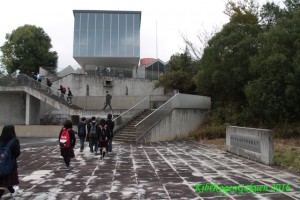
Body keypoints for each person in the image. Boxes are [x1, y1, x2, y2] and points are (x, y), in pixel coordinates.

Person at [0, 125, 21, 198]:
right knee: (4, 183)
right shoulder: (14, 140)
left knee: (5, 181)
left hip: (0, 163)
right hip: (10, 165)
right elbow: (17, 153)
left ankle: (12, 191)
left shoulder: (0, 139)